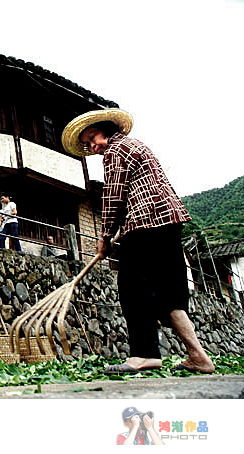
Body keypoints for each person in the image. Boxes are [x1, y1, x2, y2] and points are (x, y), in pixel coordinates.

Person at [61, 108, 214, 375]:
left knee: (132, 289)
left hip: (145, 225)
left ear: (107, 130)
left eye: (93, 137)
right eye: (87, 143)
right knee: (169, 296)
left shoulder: (115, 151)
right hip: (168, 222)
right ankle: (199, 356)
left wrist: (105, 236)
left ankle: (144, 355)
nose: (92, 146)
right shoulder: (136, 145)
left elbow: (113, 196)